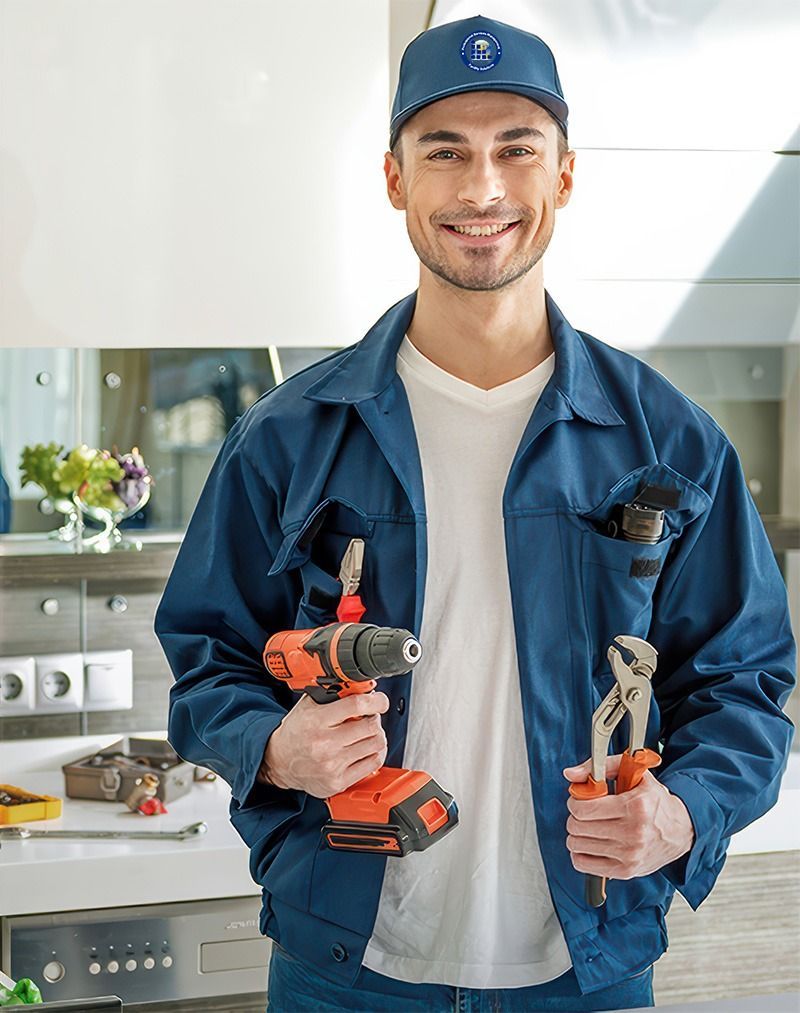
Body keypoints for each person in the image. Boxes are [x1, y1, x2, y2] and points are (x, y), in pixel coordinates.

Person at [153, 14, 797, 1013]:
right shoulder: (286, 436)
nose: (481, 187)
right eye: (443, 150)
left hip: (585, 966)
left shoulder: (667, 443)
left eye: (515, 149)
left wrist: (680, 812)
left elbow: (744, 679)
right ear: (394, 178)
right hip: (344, 967)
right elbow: (205, 659)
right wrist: (277, 746)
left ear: (564, 177)